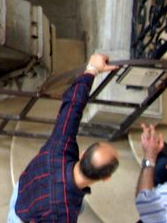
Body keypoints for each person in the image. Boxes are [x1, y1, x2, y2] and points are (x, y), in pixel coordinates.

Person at [8, 52, 121, 222]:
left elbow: (72, 108)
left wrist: (92, 69)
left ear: (84, 154)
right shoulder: (64, 214)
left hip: (24, 191)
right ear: (106, 178)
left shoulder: (59, 147)